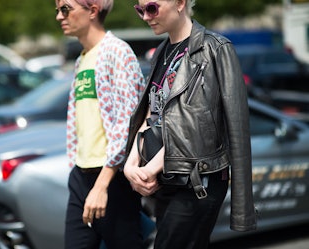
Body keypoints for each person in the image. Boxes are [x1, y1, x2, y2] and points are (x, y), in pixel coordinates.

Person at [123, 0, 257, 248]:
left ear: (180, 3)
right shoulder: (162, 51)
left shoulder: (215, 48)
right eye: (140, 9)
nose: (145, 16)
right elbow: (151, 114)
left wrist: (149, 169)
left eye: (151, 8)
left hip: (197, 180)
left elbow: (215, 126)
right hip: (165, 179)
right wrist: (131, 165)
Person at [55, 0, 146, 248]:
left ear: (92, 11)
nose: (59, 17)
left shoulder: (117, 52)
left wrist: (102, 184)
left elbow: (128, 123)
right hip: (80, 176)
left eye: (65, 9)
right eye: (58, 10)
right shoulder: (81, 59)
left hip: (111, 178)